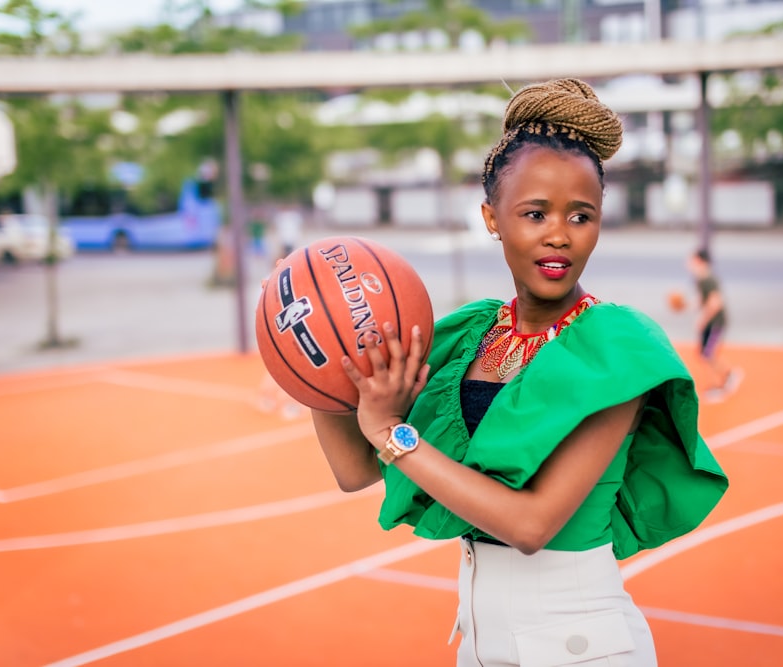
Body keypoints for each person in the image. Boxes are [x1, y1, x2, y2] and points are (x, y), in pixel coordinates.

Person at [311, 78, 729, 667]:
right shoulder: (468, 335)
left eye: (580, 216)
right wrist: (312, 353)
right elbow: (354, 471)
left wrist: (392, 434)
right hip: (481, 644)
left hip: (584, 647)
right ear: (492, 217)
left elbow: (531, 524)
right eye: (535, 214)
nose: (559, 234)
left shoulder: (614, 348)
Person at [686, 247, 744, 402]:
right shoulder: (701, 279)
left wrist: (702, 320)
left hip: (715, 322)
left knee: (708, 353)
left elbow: (715, 303)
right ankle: (724, 379)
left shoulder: (708, 279)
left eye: (691, 260)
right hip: (710, 322)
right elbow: (702, 300)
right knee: (705, 353)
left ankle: (726, 379)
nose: (688, 263)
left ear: (699, 260)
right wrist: (686, 305)